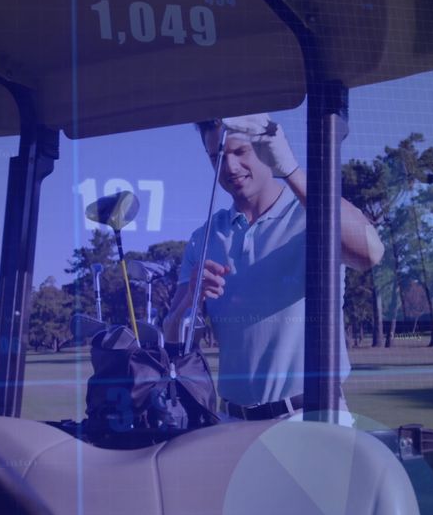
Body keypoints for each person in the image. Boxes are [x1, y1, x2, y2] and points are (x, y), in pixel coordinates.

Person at [162, 114, 384, 423]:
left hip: (312, 415)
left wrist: (291, 170)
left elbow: (369, 254)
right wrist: (190, 297)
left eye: (240, 152)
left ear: (267, 149)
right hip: (233, 421)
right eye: (217, 158)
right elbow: (175, 335)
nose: (230, 168)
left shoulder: (313, 210)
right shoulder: (203, 238)